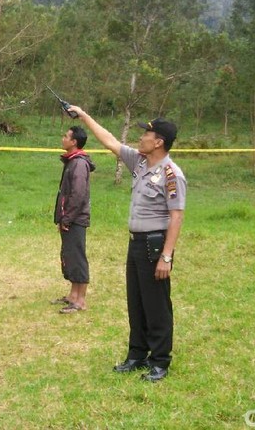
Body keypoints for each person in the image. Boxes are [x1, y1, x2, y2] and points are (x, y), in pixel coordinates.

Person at [68, 105, 186, 382]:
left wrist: (166, 256)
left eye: (146, 134)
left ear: (158, 142)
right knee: (136, 302)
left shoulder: (172, 174)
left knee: (156, 305)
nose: (141, 138)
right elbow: (109, 139)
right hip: (136, 243)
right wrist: (83, 115)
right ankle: (137, 354)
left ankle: (159, 361)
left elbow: (177, 215)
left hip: (155, 245)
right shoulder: (140, 162)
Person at [52, 126, 96, 314]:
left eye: (66, 136)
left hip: (76, 219)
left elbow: (78, 195)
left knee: (77, 256)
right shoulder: (72, 161)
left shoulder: (78, 164)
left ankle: (81, 301)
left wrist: (67, 219)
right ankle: (72, 295)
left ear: (74, 142)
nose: (63, 138)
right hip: (70, 218)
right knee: (69, 255)